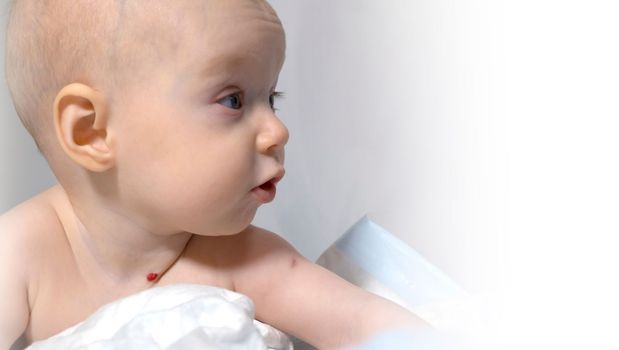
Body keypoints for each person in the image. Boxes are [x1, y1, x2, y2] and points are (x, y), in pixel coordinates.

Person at [0, 0, 425, 348]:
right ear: (92, 131)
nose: (278, 131)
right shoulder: (21, 255)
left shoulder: (244, 259)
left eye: (271, 98)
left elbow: (360, 322)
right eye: (233, 100)